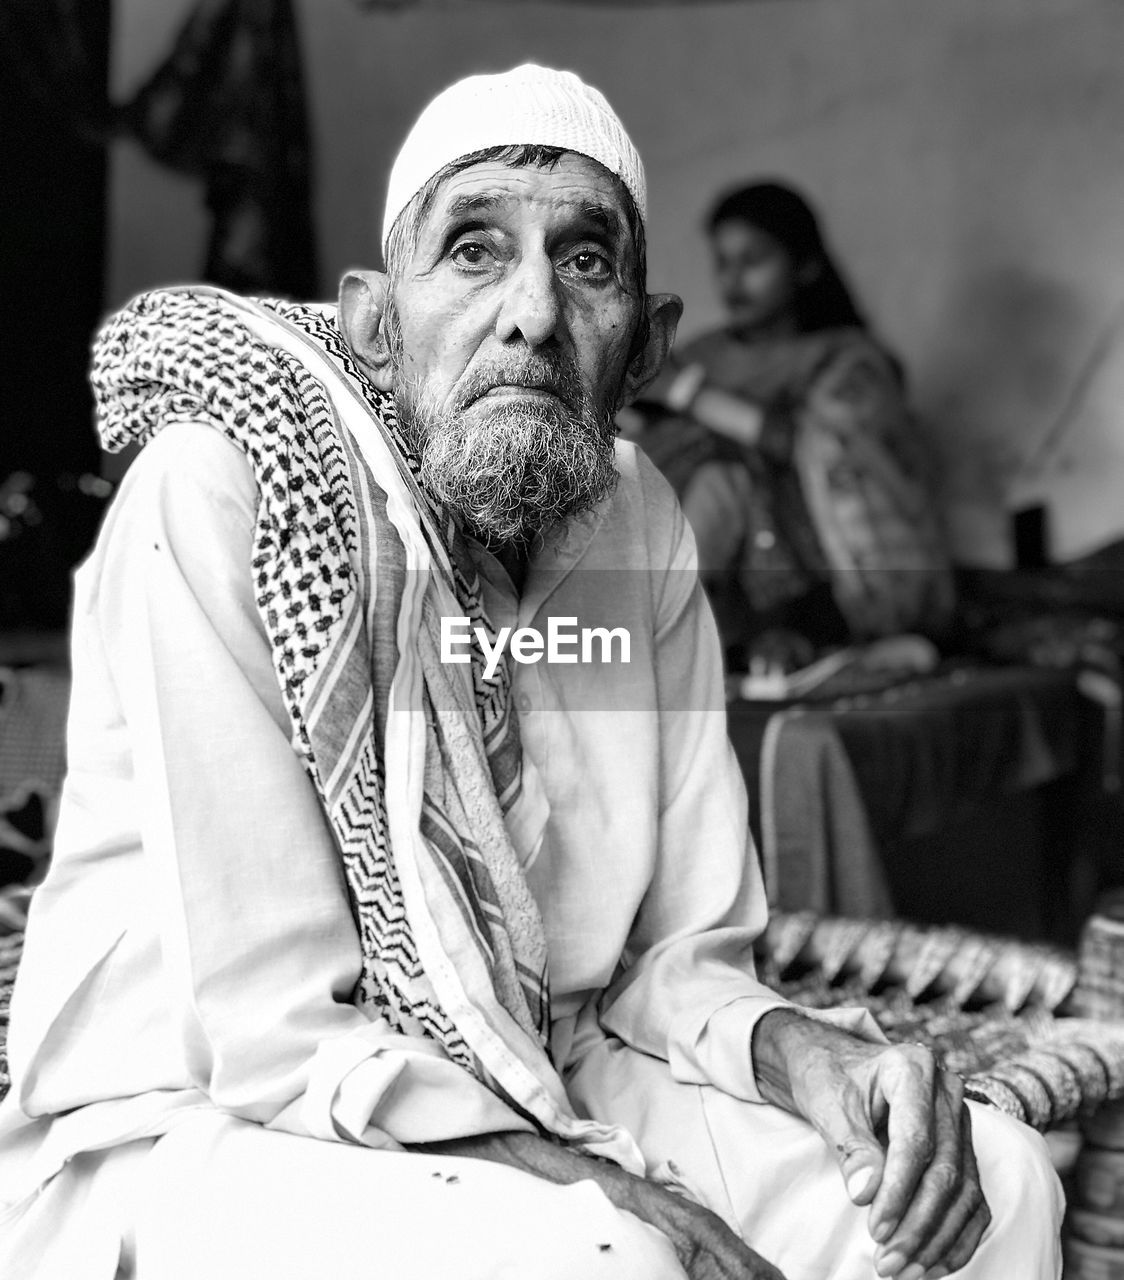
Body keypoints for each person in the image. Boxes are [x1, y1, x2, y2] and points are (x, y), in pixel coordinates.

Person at [0, 66, 1060, 1280]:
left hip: (547, 1067)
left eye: (586, 261)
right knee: (601, 1257)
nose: (531, 311)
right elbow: (275, 1030)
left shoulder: (638, 522)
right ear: (374, 322)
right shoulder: (222, 493)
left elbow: (676, 958)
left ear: (649, 344)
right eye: (471, 249)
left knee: (999, 1182)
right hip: (199, 1126)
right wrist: (612, 1191)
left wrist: (807, 1054)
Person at [629, 180, 955, 667]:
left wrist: (688, 395)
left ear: (805, 266)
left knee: (726, 473)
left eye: (754, 260)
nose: (734, 280)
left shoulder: (849, 360)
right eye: (723, 262)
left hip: (825, 573)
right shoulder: (703, 356)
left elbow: (821, 445)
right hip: (722, 569)